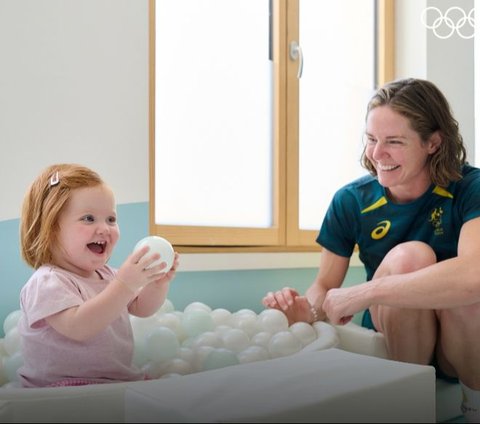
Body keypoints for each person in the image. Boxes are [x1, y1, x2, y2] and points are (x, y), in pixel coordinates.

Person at [262, 78, 480, 422]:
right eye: (371, 139)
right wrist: (309, 311)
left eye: (394, 142)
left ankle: (475, 407)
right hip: (395, 332)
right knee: (411, 257)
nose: (377, 154)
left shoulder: (470, 187)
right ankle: (406, 406)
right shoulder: (351, 200)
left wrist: (362, 293)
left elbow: (474, 275)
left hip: (461, 339)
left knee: (464, 290)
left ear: (433, 143)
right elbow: (324, 285)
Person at [18, 163, 180, 388]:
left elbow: (142, 308)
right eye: (88, 218)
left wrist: (157, 283)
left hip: (115, 382)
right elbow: (78, 326)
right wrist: (124, 284)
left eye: (111, 219)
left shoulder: (108, 275)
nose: (105, 228)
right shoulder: (47, 281)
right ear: (51, 229)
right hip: (62, 388)